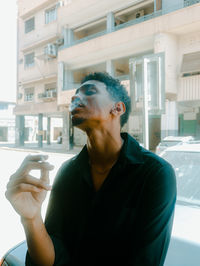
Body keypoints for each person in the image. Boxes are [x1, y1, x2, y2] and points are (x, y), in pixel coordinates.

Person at [5, 72, 176, 266]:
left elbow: (146, 261)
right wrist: (31, 218)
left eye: (90, 91)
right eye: (75, 94)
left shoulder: (155, 173)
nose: (75, 97)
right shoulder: (68, 172)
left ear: (117, 108)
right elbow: (51, 259)